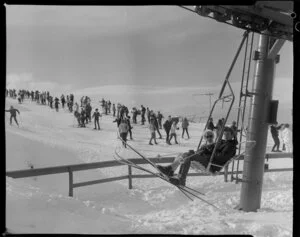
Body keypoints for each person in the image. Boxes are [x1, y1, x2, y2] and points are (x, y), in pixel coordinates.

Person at [157, 127, 237, 186]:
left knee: (187, 156)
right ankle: (170, 170)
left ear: (232, 135)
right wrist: (203, 149)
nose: (225, 135)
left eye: (227, 134)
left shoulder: (230, 146)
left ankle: (181, 179)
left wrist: (208, 151)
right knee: (183, 154)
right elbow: (211, 148)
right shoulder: (222, 141)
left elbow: (221, 157)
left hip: (212, 165)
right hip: (207, 160)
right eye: (224, 134)